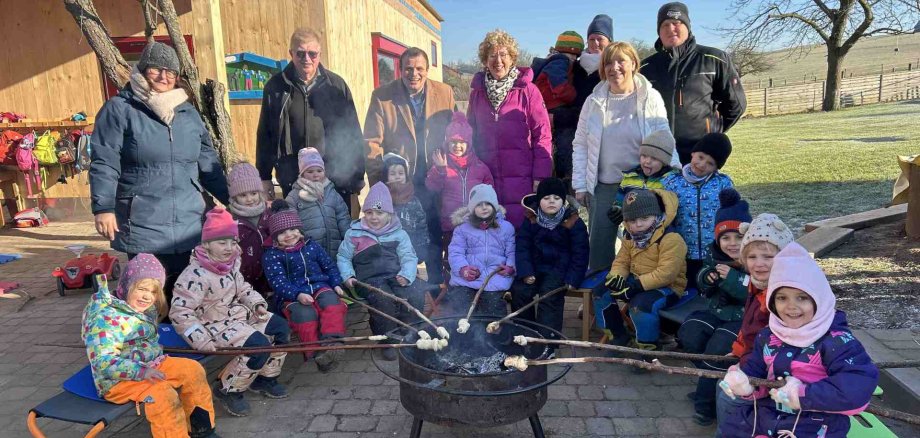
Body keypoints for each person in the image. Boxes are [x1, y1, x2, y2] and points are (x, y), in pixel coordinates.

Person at [90, 42, 229, 304]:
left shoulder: (188, 113)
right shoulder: (120, 109)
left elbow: (208, 166)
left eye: (171, 72)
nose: (164, 77)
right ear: (142, 70)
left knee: (187, 293)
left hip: (189, 220)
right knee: (148, 296)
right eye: (156, 69)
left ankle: (183, 342)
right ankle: (145, 342)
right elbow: (104, 161)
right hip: (144, 221)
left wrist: (234, 200)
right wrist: (103, 207)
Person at [720, 243, 878, 437]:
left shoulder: (838, 342)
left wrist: (802, 395)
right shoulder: (769, 335)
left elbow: (855, 392)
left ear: (818, 298)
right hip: (767, 421)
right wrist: (745, 384)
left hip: (816, 428)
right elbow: (756, 371)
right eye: (782, 298)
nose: (790, 307)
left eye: (802, 298)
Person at [170, 208, 290, 417]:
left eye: (233, 242)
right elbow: (180, 312)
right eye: (222, 242)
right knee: (258, 346)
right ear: (206, 244)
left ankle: (264, 378)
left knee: (281, 329)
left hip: (237, 316)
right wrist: (201, 340)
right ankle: (229, 389)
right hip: (211, 326)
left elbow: (242, 288)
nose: (229, 247)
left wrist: (256, 304)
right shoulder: (195, 275)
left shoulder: (231, 263)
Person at [82, 254, 217, 438]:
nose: (147, 296)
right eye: (141, 289)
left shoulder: (145, 309)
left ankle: (202, 430)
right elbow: (102, 362)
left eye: (154, 292)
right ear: (125, 286)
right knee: (163, 395)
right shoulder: (106, 318)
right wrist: (141, 371)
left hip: (151, 364)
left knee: (193, 370)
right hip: (118, 380)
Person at [572, 41, 675, 271]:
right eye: (608, 62)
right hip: (605, 186)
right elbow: (580, 144)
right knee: (599, 248)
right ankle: (600, 301)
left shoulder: (651, 97)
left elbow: (664, 138)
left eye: (621, 61)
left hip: (643, 185)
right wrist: (579, 183)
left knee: (643, 247)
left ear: (634, 64)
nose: (614, 67)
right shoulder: (593, 101)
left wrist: (674, 173)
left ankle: (633, 302)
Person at [364, 46, 455, 286]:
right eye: (408, 68)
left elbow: (455, 133)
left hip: (435, 177)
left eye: (419, 69)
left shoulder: (445, 92)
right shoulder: (382, 96)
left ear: (427, 70)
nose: (413, 74)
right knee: (400, 236)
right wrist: (380, 186)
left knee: (434, 235)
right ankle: (404, 289)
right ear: (400, 69)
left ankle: (436, 287)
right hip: (399, 181)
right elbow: (371, 143)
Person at [256, 28, 364, 205]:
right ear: (291, 53)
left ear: (319, 54)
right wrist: (264, 176)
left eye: (312, 54)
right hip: (293, 179)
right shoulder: (275, 87)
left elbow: (353, 132)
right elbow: (265, 134)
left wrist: (357, 177)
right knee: (297, 232)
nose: (307, 59)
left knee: (337, 230)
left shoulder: (336, 86)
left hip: (334, 178)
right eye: (300, 53)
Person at [714, 212, 794, 435]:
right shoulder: (757, 283)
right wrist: (739, 351)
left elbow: (777, 342)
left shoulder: (784, 293)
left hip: (775, 367)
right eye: (752, 257)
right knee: (721, 388)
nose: (759, 264)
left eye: (768, 257)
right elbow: (750, 329)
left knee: (729, 398)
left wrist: (748, 367)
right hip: (754, 357)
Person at [677, 188, 751, 426]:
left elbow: (750, 293)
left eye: (738, 238)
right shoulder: (714, 253)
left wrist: (730, 278)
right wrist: (706, 277)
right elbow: (702, 278)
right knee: (690, 333)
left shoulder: (757, 258)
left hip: (744, 318)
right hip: (717, 312)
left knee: (717, 349)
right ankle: (710, 383)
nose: (731, 244)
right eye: (725, 238)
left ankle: (706, 407)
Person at [640, 2, 746, 165]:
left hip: (700, 156)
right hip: (659, 157)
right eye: (665, 25)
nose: (671, 29)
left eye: (677, 23)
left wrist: (711, 134)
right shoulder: (645, 68)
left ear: (688, 26)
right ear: (658, 31)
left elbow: (736, 105)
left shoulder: (714, 59)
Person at [468, 30, 553, 227]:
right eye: (492, 55)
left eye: (503, 54)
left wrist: (541, 176)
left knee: (521, 235)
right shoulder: (477, 94)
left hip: (522, 179)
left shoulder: (528, 91)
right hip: (487, 178)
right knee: (490, 236)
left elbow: (543, 136)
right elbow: (470, 135)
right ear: (485, 60)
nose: (498, 60)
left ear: (512, 58)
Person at [338, 182, 422, 360]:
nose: (373, 217)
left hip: (395, 275)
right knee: (383, 300)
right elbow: (343, 257)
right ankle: (387, 339)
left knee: (416, 293)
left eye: (379, 212)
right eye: (369, 212)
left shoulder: (399, 233)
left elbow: (409, 256)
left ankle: (408, 329)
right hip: (368, 279)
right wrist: (348, 276)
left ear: (389, 214)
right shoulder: (354, 233)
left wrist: (406, 275)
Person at [594, 189, 686, 351]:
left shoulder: (671, 238)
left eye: (645, 218)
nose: (638, 224)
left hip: (668, 287)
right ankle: (619, 337)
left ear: (656, 216)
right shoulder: (631, 236)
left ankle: (649, 348)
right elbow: (622, 260)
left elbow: (667, 273)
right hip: (637, 280)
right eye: (632, 220)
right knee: (601, 292)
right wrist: (616, 277)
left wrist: (636, 287)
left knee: (640, 306)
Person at [262, 201, 348, 372]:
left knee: (332, 302)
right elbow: (277, 282)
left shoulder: (311, 246)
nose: (289, 235)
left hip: (319, 286)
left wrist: (336, 283)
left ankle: (332, 342)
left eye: (293, 229)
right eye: (282, 232)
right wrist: (296, 295)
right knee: (305, 315)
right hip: (292, 295)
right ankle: (316, 354)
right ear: (274, 236)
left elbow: (329, 266)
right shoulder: (272, 255)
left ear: (300, 230)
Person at [512, 178, 588, 344]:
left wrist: (573, 278)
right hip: (534, 267)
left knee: (549, 297)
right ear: (539, 201)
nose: (551, 201)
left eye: (556, 198)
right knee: (520, 292)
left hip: (558, 270)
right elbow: (522, 247)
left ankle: (547, 341)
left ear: (563, 200)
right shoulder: (531, 220)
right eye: (546, 198)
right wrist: (526, 272)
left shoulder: (573, 222)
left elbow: (580, 253)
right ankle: (524, 334)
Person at [425, 112, 494, 275]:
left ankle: (474, 289)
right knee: (452, 258)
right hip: (451, 224)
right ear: (447, 143)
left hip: (475, 223)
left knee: (473, 257)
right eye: (453, 142)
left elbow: (489, 191)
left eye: (461, 142)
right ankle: (451, 290)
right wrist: (440, 170)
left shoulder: (480, 167)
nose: (457, 146)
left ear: (468, 143)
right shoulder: (441, 164)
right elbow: (431, 187)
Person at [662, 132, 735, 288]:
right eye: (701, 157)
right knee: (686, 287)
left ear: (716, 168)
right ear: (693, 153)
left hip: (713, 252)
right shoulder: (672, 182)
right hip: (682, 250)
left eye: (710, 163)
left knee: (710, 287)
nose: (702, 165)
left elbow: (732, 213)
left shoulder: (723, 184)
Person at [445, 184, 515, 317]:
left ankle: (495, 335)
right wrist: (462, 269)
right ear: (472, 208)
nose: (484, 207)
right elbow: (455, 252)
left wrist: (510, 268)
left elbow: (511, 252)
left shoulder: (506, 228)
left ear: (494, 205)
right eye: (479, 204)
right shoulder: (462, 229)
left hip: (495, 277)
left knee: (493, 307)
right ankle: (463, 335)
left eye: (488, 204)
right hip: (467, 278)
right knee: (461, 305)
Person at [531, 31, 584, 184]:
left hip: (548, 105)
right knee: (565, 138)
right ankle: (565, 173)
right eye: (573, 56)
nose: (574, 60)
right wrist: (572, 95)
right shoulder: (560, 61)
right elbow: (558, 84)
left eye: (576, 57)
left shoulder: (554, 60)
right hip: (553, 105)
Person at [284, 147, 351, 261]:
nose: (315, 175)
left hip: (333, 249)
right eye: (310, 171)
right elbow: (290, 224)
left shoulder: (332, 193)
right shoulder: (294, 196)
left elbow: (342, 217)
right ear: (302, 173)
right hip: (308, 251)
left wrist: (349, 239)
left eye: (319, 171)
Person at [606, 130, 679, 230]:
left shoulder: (670, 181)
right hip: (633, 232)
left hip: (660, 233)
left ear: (664, 162)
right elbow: (621, 199)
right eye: (644, 156)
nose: (647, 161)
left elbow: (672, 208)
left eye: (654, 158)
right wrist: (618, 210)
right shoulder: (630, 177)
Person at [226, 162, 273, 298]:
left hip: (270, 278)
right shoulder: (229, 219)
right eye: (243, 195)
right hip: (243, 282)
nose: (249, 199)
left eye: (253, 193)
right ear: (234, 196)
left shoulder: (269, 213)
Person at [382, 153, 429, 269]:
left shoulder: (413, 200)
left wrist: (421, 249)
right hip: (387, 254)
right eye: (392, 174)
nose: (397, 177)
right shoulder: (382, 198)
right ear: (386, 176)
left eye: (401, 173)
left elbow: (422, 226)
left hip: (410, 252)